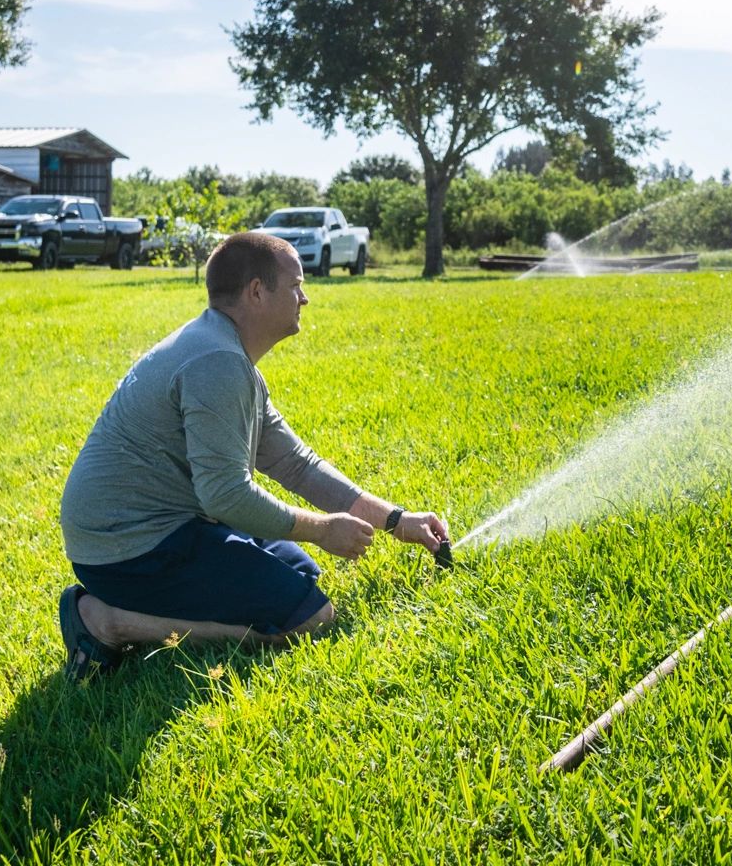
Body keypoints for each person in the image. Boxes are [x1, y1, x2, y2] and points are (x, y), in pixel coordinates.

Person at [55, 231, 449, 681]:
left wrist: (397, 520)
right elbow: (224, 496)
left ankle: (134, 607)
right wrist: (321, 528)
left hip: (163, 527)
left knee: (301, 573)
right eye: (296, 286)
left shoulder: (221, 350)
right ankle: (105, 621)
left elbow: (296, 463)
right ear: (257, 292)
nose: (305, 299)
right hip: (127, 549)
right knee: (308, 619)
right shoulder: (217, 363)